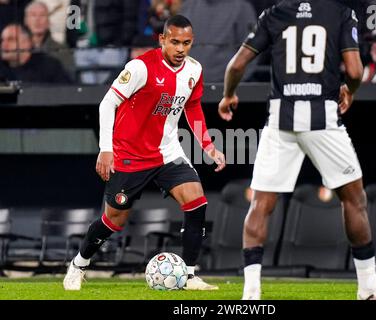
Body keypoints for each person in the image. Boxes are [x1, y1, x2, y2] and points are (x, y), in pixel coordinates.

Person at [218, 0, 376, 300]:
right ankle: (368, 286)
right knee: (353, 199)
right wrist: (350, 89)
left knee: (260, 204)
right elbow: (355, 69)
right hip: (322, 119)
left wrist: (228, 95)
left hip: (280, 121)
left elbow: (237, 65)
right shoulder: (340, 12)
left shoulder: (274, 13)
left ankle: (251, 293)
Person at [63, 15, 226, 291]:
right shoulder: (140, 67)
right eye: (174, 42)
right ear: (162, 39)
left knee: (197, 201)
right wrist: (106, 149)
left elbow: (193, 107)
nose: (180, 49)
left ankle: (188, 275)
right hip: (129, 155)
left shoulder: (194, 70)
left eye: (186, 43)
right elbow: (107, 104)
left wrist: (207, 145)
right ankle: (79, 264)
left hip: (168, 152)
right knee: (114, 220)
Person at [180, 0, 257, 82]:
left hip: (226, 85)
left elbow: (252, 50)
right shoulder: (186, 7)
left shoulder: (241, 8)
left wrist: (233, 84)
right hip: (189, 84)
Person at [0, 24, 72, 83]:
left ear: (27, 43)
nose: (4, 45)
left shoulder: (49, 67)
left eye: (11, 40)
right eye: (2, 40)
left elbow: (68, 94)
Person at [24, 1, 75, 81]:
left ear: (48, 21)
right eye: (33, 15)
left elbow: (69, 78)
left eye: (42, 15)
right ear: (26, 21)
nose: (37, 20)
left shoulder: (61, 50)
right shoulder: (20, 50)